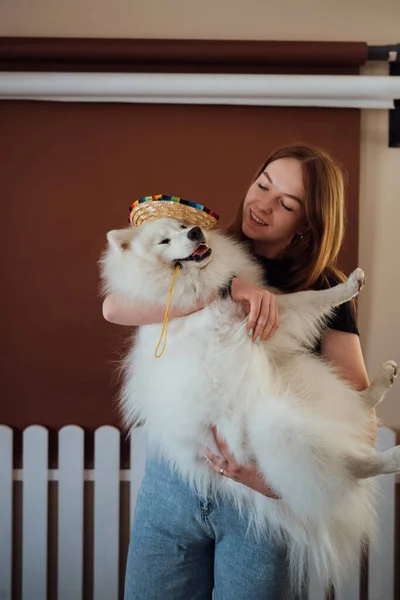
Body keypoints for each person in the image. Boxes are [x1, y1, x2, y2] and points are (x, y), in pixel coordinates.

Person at [102, 144, 377, 600]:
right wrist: (224, 286)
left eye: (286, 204)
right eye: (262, 185)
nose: (262, 204)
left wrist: (276, 480)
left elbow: (358, 407)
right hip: (175, 484)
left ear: (308, 223)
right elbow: (115, 307)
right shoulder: (203, 247)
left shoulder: (325, 286)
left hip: (259, 503)